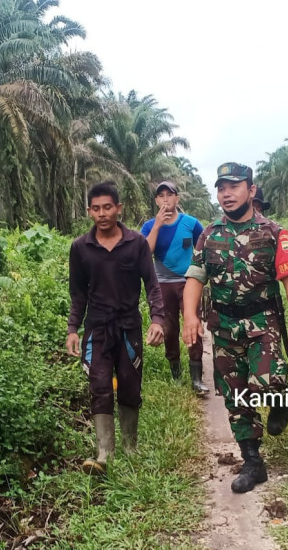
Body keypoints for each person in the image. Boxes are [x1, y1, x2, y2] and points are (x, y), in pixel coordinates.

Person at [182, 162, 288, 494]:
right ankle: (253, 462)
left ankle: (279, 396)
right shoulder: (210, 235)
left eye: (234, 186)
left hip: (262, 322)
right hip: (223, 327)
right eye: (221, 187)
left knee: (266, 380)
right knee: (236, 397)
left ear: (251, 191)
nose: (226, 193)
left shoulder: (273, 232)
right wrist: (190, 317)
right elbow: (195, 278)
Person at [66, 182, 166, 475]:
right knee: (99, 386)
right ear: (89, 211)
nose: (102, 213)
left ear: (118, 208)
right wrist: (73, 328)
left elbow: (152, 285)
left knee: (130, 385)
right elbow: (78, 294)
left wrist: (158, 319)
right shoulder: (80, 248)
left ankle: (131, 447)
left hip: (129, 328)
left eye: (107, 207)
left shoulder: (136, 244)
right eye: (95, 208)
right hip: (96, 329)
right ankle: (104, 453)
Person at [139, 181, 209, 394]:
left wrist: (204, 278)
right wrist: (158, 225)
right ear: (156, 201)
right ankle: (176, 374)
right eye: (161, 196)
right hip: (162, 285)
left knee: (193, 325)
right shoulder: (149, 226)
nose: (166, 199)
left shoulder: (191, 223)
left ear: (177, 198)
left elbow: (204, 248)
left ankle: (197, 378)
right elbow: (144, 253)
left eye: (170, 195)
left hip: (189, 283)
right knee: (169, 330)